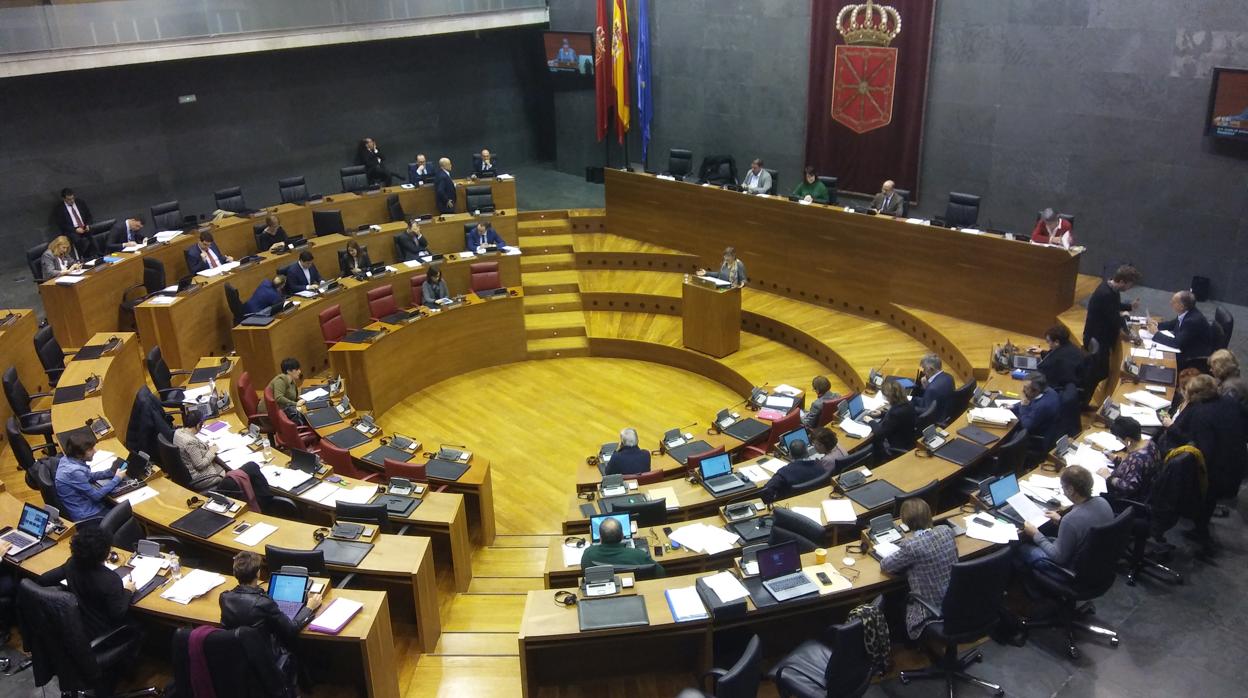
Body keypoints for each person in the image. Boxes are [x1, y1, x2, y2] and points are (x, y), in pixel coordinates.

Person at [1163, 373, 1246, 551]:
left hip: (1217, 472)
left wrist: (1172, 429)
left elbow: (1202, 451)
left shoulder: (1202, 414)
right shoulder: (1229, 402)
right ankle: (1201, 527)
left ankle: (1200, 531)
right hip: (1237, 462)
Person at [219, 551, 322, 692]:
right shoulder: (264, 603)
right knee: (296, 642)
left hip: (239, 658)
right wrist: (309, 608)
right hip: (267, 660)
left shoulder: (224, 598)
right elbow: (291, 629)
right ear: (258, 573)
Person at [879, 499, 958, 640]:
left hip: (931, 610)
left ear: (905, 522)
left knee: (894, 597)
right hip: (955, 601)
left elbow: (886, 565)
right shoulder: (946, 531)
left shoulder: (911, 546)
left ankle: (906, 642)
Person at [35, 527, 135, 639]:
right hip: (100, 632)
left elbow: (44, 580)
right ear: (105, 553)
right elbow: (118, 614)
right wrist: (128, 591)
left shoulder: (72, 563)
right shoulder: (111, 580)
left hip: (73, 624)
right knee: (138, 626)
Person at [1016, 465, 1113, 575]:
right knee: (1046, 538)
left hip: (1071, 570)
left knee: (1021, 548)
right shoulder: (1103, 502)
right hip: (1096, 562)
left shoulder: (1070, 519)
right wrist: (1061, 520)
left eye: (1063, 487)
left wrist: (1035, 534)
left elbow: (1058, 558)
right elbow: (1082, 526)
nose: (1062, 491)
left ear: (1071, 490)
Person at [1083, 265, 1141, 390]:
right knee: (1097, 372)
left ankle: (1084, 397)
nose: (1129, 288)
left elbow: (1114, 306)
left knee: (1098, 371)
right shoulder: (1106, 294)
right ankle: (1082, 399)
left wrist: (1130, 307)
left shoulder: (1111, 289)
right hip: (1096, 338)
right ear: (1121, 281)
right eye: (1129, 285)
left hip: (1102, 336)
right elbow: (1114, 318)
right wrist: (1130, 334)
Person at [55, 429, 126, 521]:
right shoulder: (74, 471)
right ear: (79, 454)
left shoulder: (66, 459)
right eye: (90, 449)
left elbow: (88, 476)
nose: (95, 451)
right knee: (126, 513)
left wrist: (109, 473)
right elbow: (96, 496)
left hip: (86, 505)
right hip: (88, 515)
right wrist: (117, 478)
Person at [1097, 416, 1160, 501]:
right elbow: (1133, 468)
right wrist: (1116, 459)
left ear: (1128, 440)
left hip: (1128, 498)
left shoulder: (1137, 459)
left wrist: (1108, 477)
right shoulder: (1150, 443)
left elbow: (1128, 487)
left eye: (1118, 437)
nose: (1117, 439)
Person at [580, 516, 663, 574]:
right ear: (622, 536)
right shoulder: (639, 555)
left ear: (600, 538)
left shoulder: (588, 554)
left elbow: (584, 572)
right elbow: (661, 572)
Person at [1152, 290, 1214, 362]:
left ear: (1181, 306)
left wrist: (1156, 334)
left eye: (1173, 302)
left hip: (1192, 354)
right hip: (1186, 344)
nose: (1170, 303)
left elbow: (1176, 343)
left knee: (1159, 358)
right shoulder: (1187, 311)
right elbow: (1174, 323)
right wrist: (1157, 325)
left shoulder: (1192, 321)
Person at [760, 440, 825, 504]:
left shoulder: (784, 472)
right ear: (807, 453)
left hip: (789, 505)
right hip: (814, 500)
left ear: (790, 455)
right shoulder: (820, 466)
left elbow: (766, 491)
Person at [871, 377, 917, 464]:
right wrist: (881, 413)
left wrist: (870, 421)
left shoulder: (895, 413)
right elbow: (899, 418)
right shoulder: (908, 404)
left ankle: (875, 463)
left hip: (896, 445)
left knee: (873, 440)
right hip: (908, 439)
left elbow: (880, 434)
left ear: (890, 397)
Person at [1012, 373, 1060, 450]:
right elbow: (1029, 401)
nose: (1023, 390)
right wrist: (1013, 406)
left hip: (1038, 440)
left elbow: (1027, 425)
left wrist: (1023, 406)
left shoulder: (1042, 406)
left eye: (1026, 388)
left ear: (1035, 391)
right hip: (1047, 428)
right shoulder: (1049, 391)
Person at [911, 354, 954, 424]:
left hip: (936, 418)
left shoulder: (932, 389)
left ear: (931, 369)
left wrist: (908, 408)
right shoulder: (949, 377)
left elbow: (927, 411)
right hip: (945, 409)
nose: (924, 372)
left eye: (924, 369)